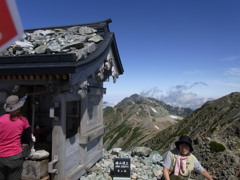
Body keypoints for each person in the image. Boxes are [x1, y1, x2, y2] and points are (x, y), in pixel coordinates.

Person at [0, 95, 32, 180]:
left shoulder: (0, 120)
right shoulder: (23, 120)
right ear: (19, 107)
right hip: (15, 157)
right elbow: (28, 138)